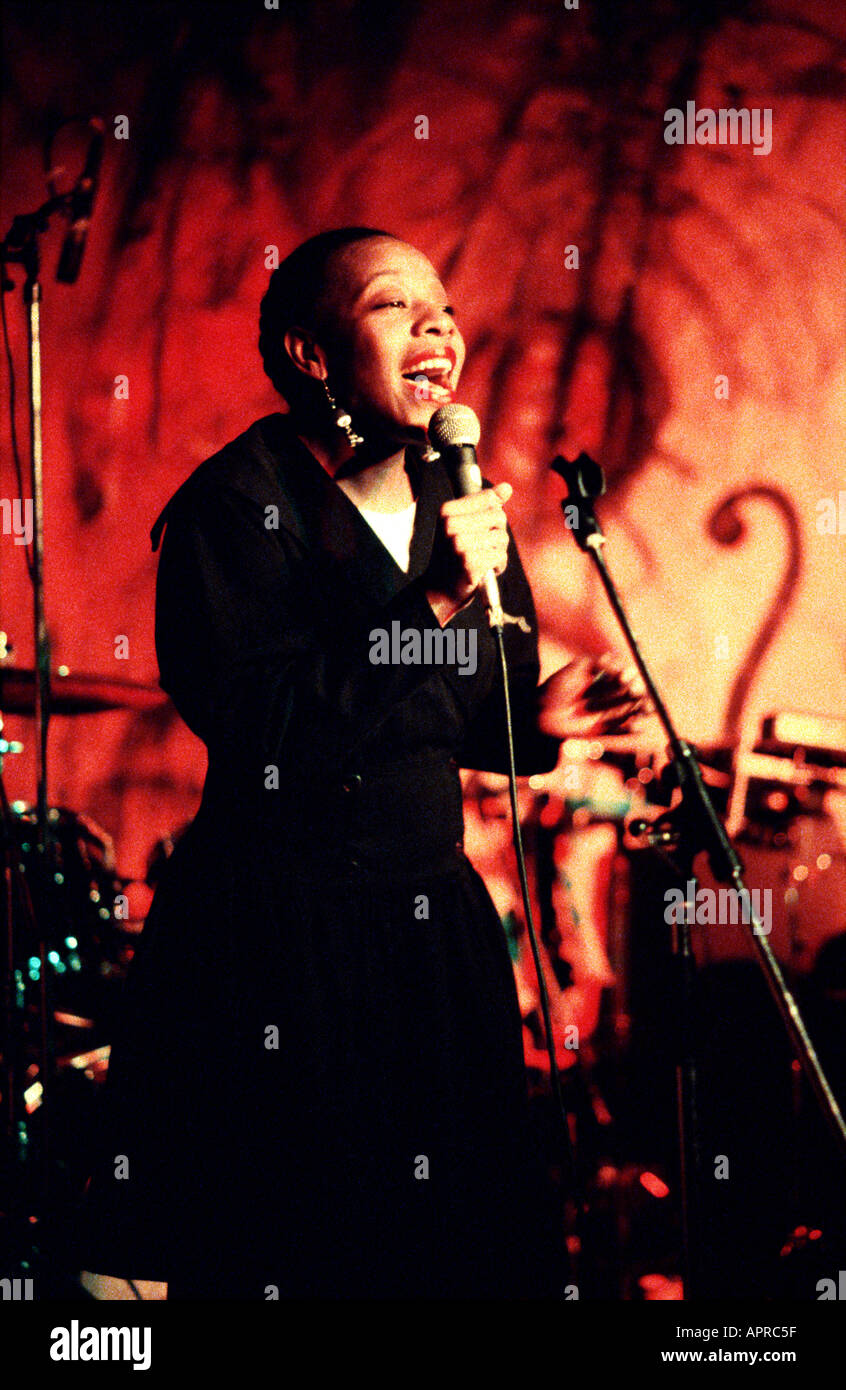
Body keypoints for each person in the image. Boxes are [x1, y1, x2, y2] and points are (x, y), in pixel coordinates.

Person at [77, 227, 642, 1299]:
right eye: (394, 304)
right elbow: (271, 728)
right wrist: (429, 600)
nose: (436, 324)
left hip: (427, 933)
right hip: (279, 932)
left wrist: (543, 718)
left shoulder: (457, 498)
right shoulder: (235, 509)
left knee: (438, 1252)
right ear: (311, 353)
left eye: (442, 306)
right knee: (294, 1246)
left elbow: (456, 718)